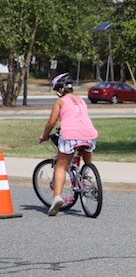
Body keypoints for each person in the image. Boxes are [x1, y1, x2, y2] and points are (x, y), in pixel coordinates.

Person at [39, 72, 98, 216]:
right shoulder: (81, 101)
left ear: (60, 89)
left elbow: (51, 122)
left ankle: (57, 197)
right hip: (89, 134)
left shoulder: (60, 102)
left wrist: (45, 136)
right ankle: (87, 175)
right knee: (86, 160)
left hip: (70, 135)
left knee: (61, 165)